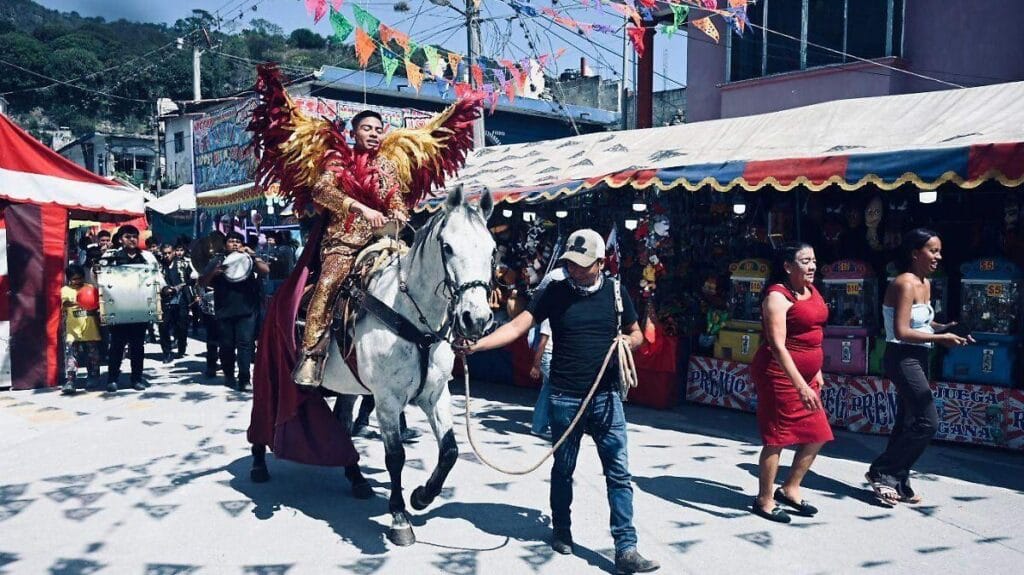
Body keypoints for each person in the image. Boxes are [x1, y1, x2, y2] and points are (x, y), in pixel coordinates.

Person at [464, 229, 659, 575]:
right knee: (563, 470)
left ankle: (626, 548)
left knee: (619, 475)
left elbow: (637, 334)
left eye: (582, 265)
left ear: (601, 263)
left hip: (607, 399)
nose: (574, 270)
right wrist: (478, 346)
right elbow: (518, 326)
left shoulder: (616, 292)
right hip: (565, 397)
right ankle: (562, 528)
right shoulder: (553, 292)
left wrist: (626, 344)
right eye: (569, 263)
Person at [290, 109, 411, 387]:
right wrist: (361, 209)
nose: (374, 134)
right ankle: (312, 354)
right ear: (353, 132)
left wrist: (399, 214)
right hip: (342, 245)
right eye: (367, 128)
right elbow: (322, 191)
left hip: (382, 243)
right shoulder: (337, 161)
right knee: (328, 284)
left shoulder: (386, 166)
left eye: (379, 129)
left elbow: (395, 199)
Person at [866, 229, 970, 506]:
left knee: (909, 420)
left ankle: (897, 478)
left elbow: (922, 322)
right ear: (915, 253)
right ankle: (883, 470)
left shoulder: (926, 283)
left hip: (921, 356)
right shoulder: (904, 283)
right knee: (928, 422)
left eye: (939, 251)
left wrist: (948, 329)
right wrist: (941, 338)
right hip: (902, 356)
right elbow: (901, 331)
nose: (938, 256)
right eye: (932, 251)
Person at [749, 242, 833, 523]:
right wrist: (800, 384)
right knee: (777, 438)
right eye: (805, 261)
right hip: (779, 375)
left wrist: (815, 371)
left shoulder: (811, 289)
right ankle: (764, 499)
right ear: (787, 266)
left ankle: (790, 487)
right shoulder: (777, 297)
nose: (812, 266)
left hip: (807, 376)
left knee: (818, 434)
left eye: (813, 260)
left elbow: (813, 332)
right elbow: (777, 345)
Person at [200, 231, 269, 391]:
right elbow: (202, 282)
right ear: (225, 244)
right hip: (225, 309)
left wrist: (254, 255)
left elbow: (265, 270)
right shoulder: (217, 260)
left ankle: (244, 378)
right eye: (231, 241)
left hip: (247, 309)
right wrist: (214, 272)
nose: (235, 244)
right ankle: (229, 374)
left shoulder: (248, 258)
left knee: (245, 344)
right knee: (227, 345)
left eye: (238, 241)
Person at [101, 225, 163, 392]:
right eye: (128, 236)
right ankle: (112, 378)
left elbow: (157, 276)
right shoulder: (111, 256)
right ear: (121, 239)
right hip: (118, 308)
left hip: (139, 308)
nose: (132, 239)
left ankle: (136, 378)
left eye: (135, 236)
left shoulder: (147, 257)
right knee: (116, 346)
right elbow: (99, 276)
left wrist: (164, 289)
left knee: (138, 347)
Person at [61, 265, 102, 394]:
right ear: (69, 279)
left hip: (90, 329)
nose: (77, 281)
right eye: (74, 279)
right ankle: (70, 380)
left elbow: (98, 304)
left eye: (80, 278)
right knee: (71, 357)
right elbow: (65, 304)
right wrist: (80, 301)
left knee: (93, 356)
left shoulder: (90, 288)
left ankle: (93, 377)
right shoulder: (65, 290)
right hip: (73, 331)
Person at [158, 244, 189, 363]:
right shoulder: (159, 266)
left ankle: (181, 347)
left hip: (181, 298)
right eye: (164, 253)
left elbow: (190, 279)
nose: (166, 256)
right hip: (165, 299)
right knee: (164, 327)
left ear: (174, 252)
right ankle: (167, 352)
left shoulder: (183, 264)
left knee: (181, 326)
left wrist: (179, 287)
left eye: (169, 253)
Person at [529, 319, 553, 439]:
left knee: (547, 389)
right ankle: (539, 426)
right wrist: (536, 365)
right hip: (548, 355)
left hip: (550, 355)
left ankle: (539, 426)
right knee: (552, 388)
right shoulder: (548, 319)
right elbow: (542, 342)